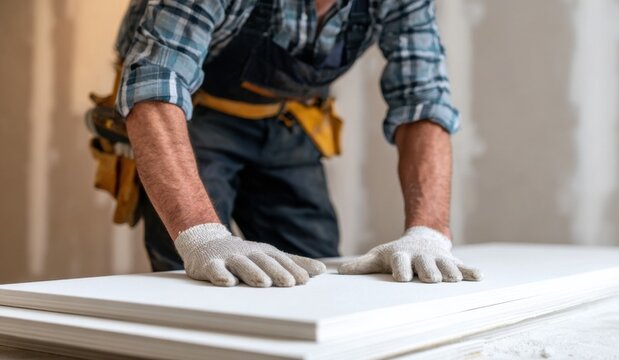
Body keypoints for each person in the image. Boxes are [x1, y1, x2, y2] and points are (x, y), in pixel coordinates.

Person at [109, 0, 482, 287]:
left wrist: (428, 233)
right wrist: (202, 238)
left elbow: (423, 102)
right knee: (202, 275)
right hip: (192, 119)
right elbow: (156, 87)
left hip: (288, 118)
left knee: (315, 271)